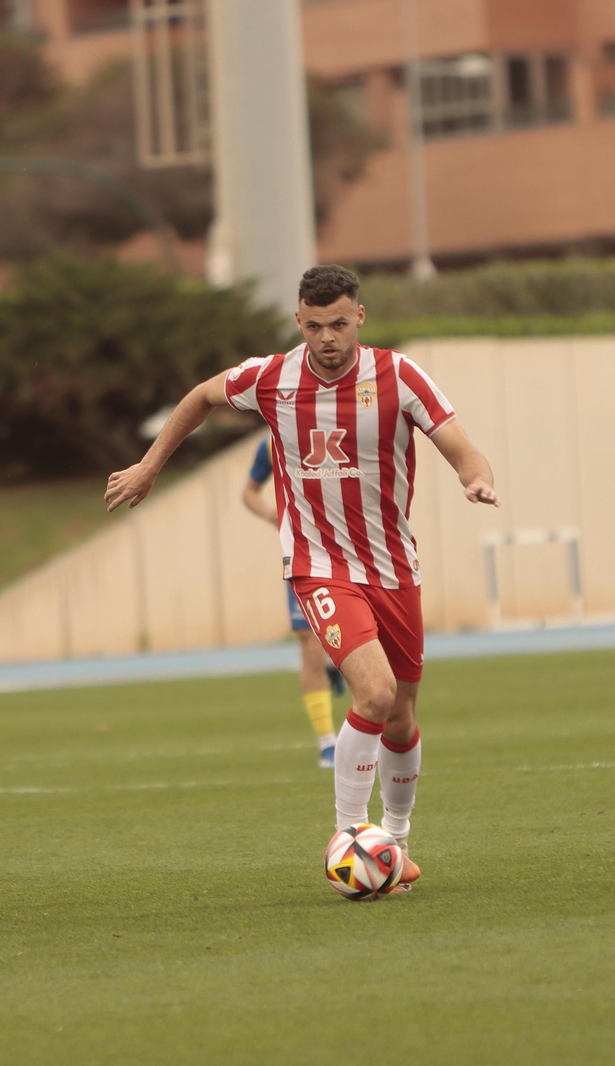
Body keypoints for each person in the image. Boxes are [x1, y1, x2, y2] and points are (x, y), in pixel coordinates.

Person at [108, 264, 499, 891]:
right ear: (298, 321)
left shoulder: (398, 376)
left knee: (400, 716)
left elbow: (460, 443)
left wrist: (473, 477)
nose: (327, 339)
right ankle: (347, 836)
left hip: (393, 566)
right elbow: (202, 397)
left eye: (339, 324)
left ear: (360, 318)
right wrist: (151, 465)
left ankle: (395, 845)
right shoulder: (273, 377)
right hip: (318, 566)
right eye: (315, 326)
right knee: (371, 695)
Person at [242, 435, 349, 769]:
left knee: (361, 646)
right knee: (310, 647)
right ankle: (327, 744)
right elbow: (248, 492)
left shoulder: (339, 428)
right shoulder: (271, 444)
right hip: (301, 556)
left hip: (350, 554)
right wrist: (271, 515)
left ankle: (339, 672)